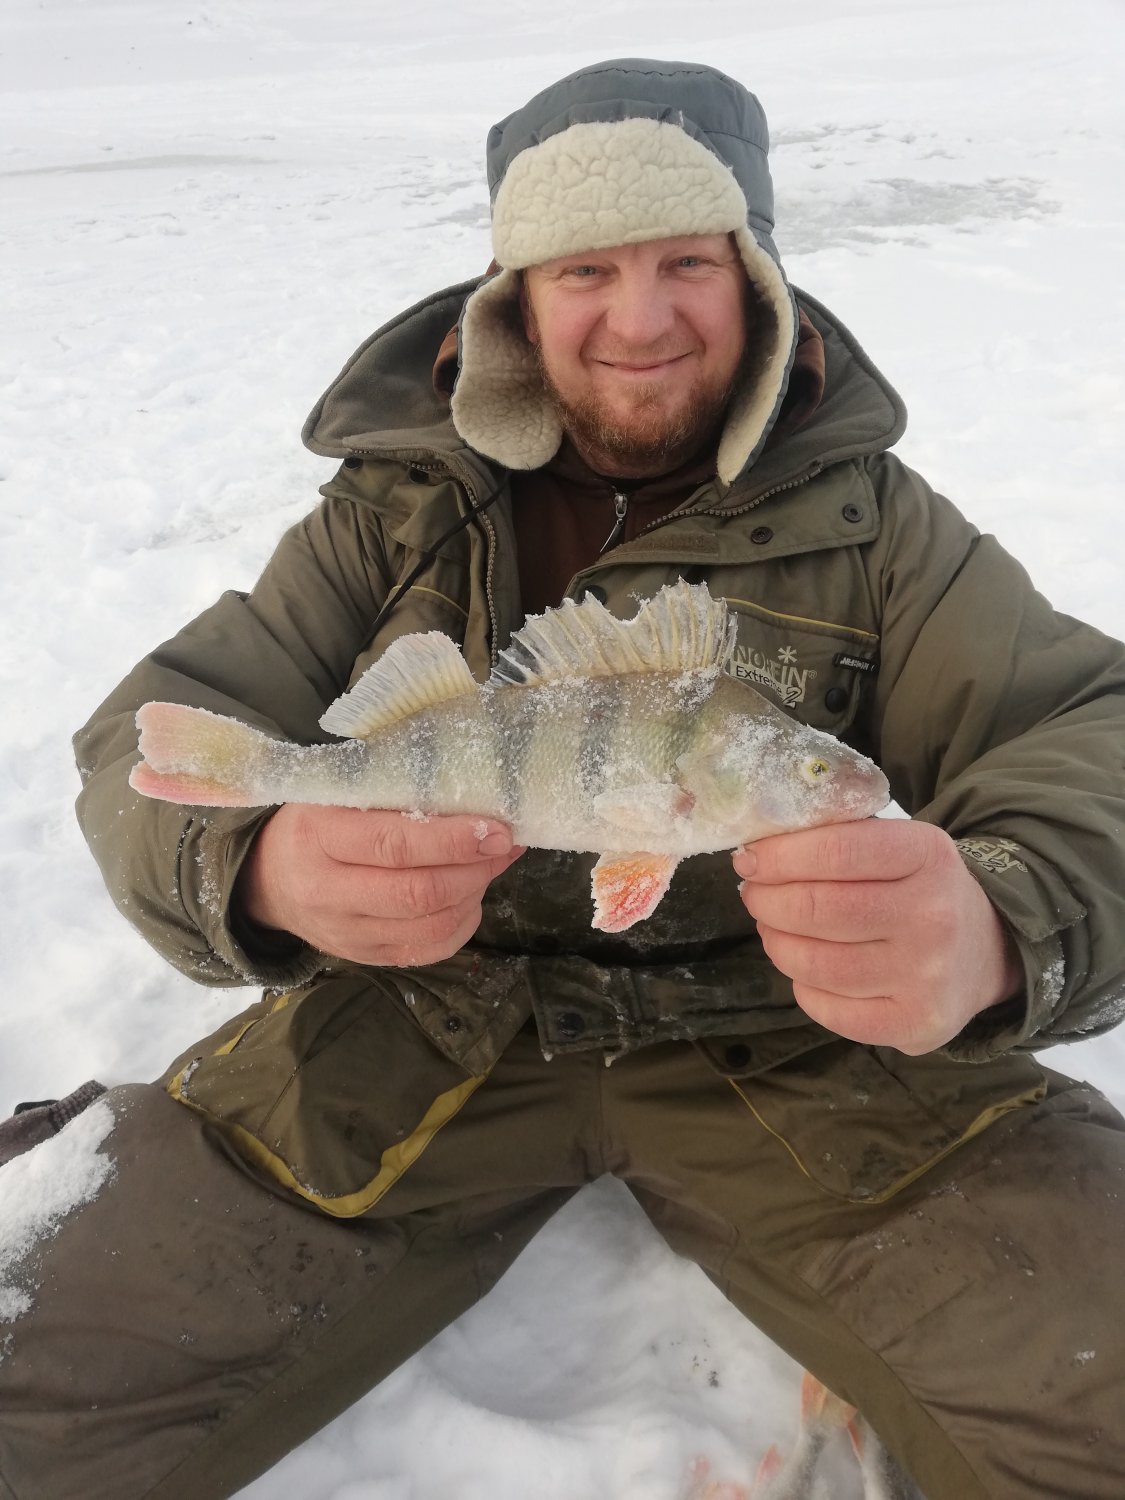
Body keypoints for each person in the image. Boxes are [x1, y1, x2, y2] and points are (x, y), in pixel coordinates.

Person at [1, 57, 1124, 1500]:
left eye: (687, 263)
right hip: (402, 1031)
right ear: (514, 298)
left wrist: (998, 927)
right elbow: (154, 737)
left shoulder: (881, 531)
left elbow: (1089, 730)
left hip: (803, 1047)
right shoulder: (391, 517)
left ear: (756, 282)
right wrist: (260, 867)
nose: (638, 319)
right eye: (583, 267)